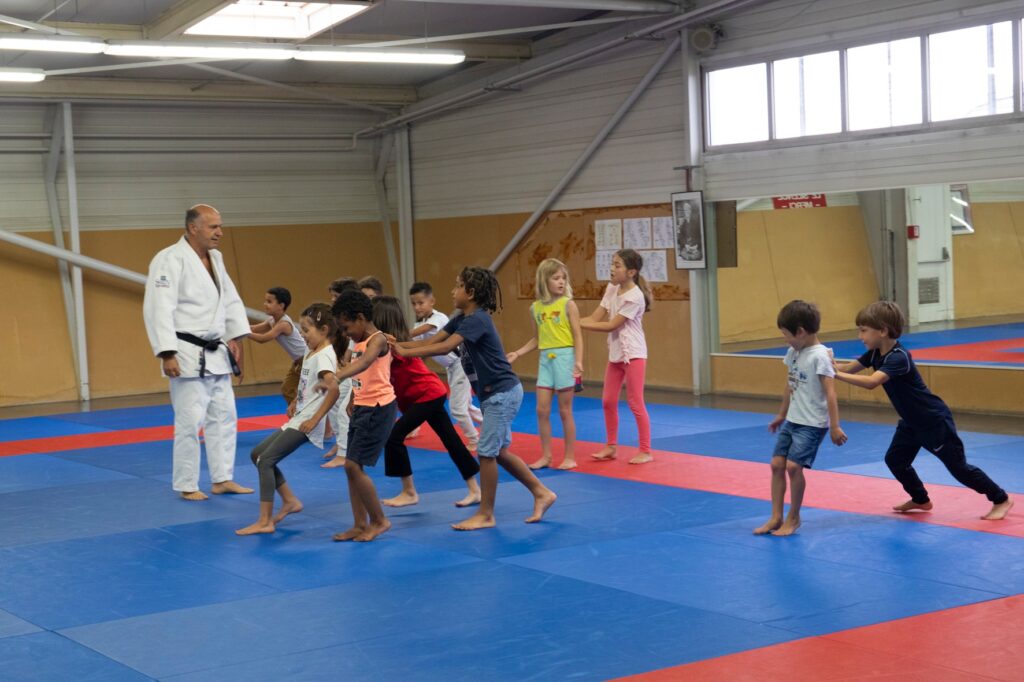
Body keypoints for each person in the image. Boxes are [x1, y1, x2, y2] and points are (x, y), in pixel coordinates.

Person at [391, 266, 557, 531]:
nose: (452, 291)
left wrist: (403, 352)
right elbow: (434, 338)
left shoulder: (477, 319)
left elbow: (445, 347)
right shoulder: (460, 318)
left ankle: (486, 514)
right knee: (498, 452)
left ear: (470, 292)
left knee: (486, 452)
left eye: (457, 286)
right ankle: (541, 492)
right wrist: (396, 343)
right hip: (494, 394)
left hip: (502, 392)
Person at [834, 301, 1013, 521]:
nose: (860, 336)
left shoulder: (898, 357)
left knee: (959, 468)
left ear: (882, 330)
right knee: (895, 460)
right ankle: (920, 499)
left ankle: (1000, 499)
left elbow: (872, 382)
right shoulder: (874, 353)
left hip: (933, 421)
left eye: (863, 330)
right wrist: (822, 362)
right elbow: (846, 369)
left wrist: (835, 375)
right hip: (911, 422)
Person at [143, 204, 253, 501]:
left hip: (216, 351)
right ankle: (187, 483)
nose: (220, 232)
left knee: (225, 417)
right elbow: (158, 308)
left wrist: (235, 338)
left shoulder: (216, 258)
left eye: (220, 226)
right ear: (193, 228)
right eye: (213, 226)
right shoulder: (169, 259)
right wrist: (167, 352)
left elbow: (230, 301)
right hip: (186, 353)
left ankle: (222, 478)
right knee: (190, 422)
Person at [236, 303, 341, 536]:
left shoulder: (325, 356)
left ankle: (265, 521)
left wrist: (315, 420)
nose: (302, 335)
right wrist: (296, 400)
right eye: (301, 329)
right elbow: (308, 382)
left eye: (306, 330)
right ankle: (290, 501)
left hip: (306, 422)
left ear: (323, 330)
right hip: (301, 415)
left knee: (265, 461)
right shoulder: (312, 350)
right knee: (257, 455)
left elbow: (333, 389)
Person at [373, 296, 481, 509]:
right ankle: (475, 490)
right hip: (425, 396)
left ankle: (409, 492)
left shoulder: (392, 346)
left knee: (394, 438)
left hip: (427, 395)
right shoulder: (388, 345)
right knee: (451, 440)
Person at [754, 300, 847, 537]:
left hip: (813, 423)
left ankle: (793, 517)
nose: (785, 339)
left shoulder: (820, 356)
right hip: (793, 420)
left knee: (794, 467)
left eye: (786, 335)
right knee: (776, 465)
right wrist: (781, 415)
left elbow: (831, 392)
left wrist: (835, 426)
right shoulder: (793, 352)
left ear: (801, 332)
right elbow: (790, 384)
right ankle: (776, 516)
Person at [327, 290, 398, 542]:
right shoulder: (358, 343)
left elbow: (367, 363)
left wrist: (338, 376)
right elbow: (363, 376)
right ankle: (359, 524)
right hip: (363, 406)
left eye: (347, 328)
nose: (346, 334)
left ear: (360, 317)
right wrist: (351, 397)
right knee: (350, 468)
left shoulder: (377, 340)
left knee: (352, 465)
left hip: (379, 408)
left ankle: (380, 520)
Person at [507, 258, 583, 470]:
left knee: (565, 410)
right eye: (556, 278)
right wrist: (518, 353)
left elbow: (578, 336)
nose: (561, 282)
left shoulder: (568, 304)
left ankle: (569, 456)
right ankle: (546, 456)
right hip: (545, 360)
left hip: (564, 358)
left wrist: (578, 361)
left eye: (563, 278)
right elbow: (537, 338)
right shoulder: (535, 308)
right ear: (544, 280)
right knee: (541, 410)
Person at [579, 249, 654, 464]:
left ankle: (645, 450)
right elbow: (595, 317)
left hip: (635, 355)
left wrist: (575, 323)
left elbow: (611, 325)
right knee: (608, 401)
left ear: (631, 272)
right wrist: (573, 319)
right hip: (616, 354)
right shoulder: (612, 289)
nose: (612, 268)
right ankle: (611, 446)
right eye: (612, 263)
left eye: (617, 265)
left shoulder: (635, 296)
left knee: (635, 402)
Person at [409, 281, 482, 450]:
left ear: (432, 301)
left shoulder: (438, 318)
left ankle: (475, 439)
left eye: (421, 302)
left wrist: (397, 333)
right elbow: (419, 348)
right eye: (413, 303)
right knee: (466, 406)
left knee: (457, 408)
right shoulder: (416, 324)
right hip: (451, 368)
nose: (417, 307)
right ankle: (493, 424)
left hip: (462, 363)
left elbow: (421, 334)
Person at [322, 277, 360, 469]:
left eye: (336, 297)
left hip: (363, 371)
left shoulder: (357, 319)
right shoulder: (345, 319)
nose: (332, 301)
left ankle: (345, 453)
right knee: (333, 399)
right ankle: (341, 444)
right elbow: (349, 352)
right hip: (351, 368)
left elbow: (357, 351)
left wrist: (341, 370)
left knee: (345, 410)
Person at [247, 287, 306, 406]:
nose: (265, 304)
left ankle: (303, 413)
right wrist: (239, 327)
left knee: (305, 392)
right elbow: (255, 329)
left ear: (281, 305)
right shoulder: (272, 320)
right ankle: (298, 414)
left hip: (306, 360)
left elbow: (263, 339)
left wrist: (244, 333)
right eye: (265, 301)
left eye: (269, 302)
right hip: (297, 363)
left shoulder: (283, 324)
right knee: (287, 389)